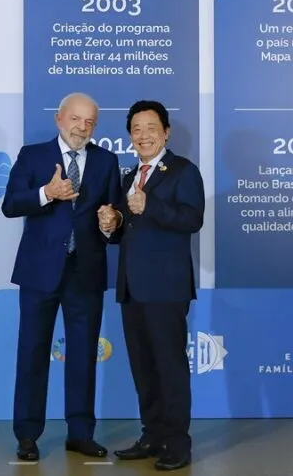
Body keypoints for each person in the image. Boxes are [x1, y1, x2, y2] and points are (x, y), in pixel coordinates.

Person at [1, 92, 124, 461]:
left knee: (84, 355)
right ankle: (27, 435)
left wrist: (112, 222)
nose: (82, 127)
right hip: (39, 272)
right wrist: (46, 193)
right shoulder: (32, 155)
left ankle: (81, 433)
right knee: (33, 353)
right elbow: (10, 204)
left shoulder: (106, 160)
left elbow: (115, 221)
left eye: (89, 122)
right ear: (59, 119)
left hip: (85, 273)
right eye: (75, 119)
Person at [97, 100, 204, 471]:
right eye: (136, 130)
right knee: (143, 367)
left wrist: (150, 206)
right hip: (131, 287)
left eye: (150, 128)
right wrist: (111, 225)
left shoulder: (183, 171)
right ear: (130, 136)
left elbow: (193, 219)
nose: (143, 135)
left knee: (170, 368)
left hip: (166, 288)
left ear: (166, 132)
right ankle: (152, 434)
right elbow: (129, 231)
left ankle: (177, 443)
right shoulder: (129, 177)